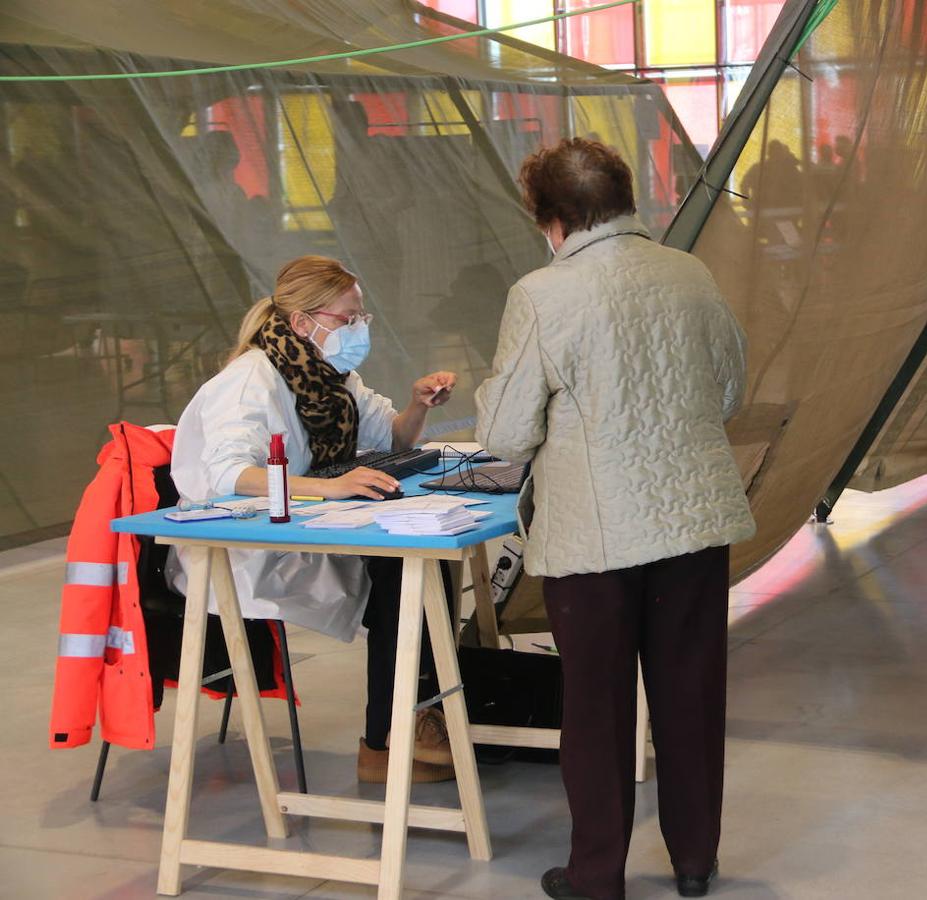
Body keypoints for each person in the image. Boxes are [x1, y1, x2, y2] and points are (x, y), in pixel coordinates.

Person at [475, 139, 755, 900]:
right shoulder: (691, 272)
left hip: (596, 535)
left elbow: (503, 434)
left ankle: (597, 875)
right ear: (628, 199)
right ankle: (695, 861)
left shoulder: (543, 293)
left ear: (553, 219)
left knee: (596, 709)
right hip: (694, 517)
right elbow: (730, 389)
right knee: (690, 696)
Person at [171, 255, 460, 783]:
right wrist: (331, 487)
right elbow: (231, 475)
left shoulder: (332, 375)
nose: (358, 328)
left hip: (307, 520)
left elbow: (388, 438)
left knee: (426, 557)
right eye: (348, 319)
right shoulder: (250, 381)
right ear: (305, 322)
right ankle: (388, 738)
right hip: (245, 542)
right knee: (405, 570)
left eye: (361, 317)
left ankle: (421, 715)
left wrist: (419, 405)